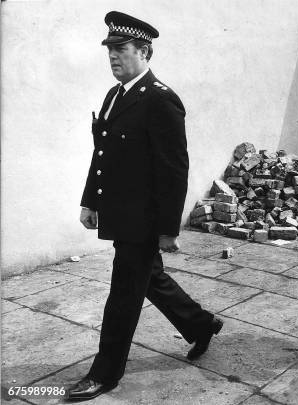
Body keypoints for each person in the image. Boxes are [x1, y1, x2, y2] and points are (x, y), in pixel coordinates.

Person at [68, 11, 222, 400]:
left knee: (123, 294)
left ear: (145, 51)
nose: (113, 57)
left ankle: (105, 373)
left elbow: (174, 170)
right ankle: (201, 324)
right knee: (150, 278)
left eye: (121, 49)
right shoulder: (115, 95)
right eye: (110, 51)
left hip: (143, 220)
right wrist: (90, 202)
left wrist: (169, 228)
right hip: (120, 214)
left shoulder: (160, 100)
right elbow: (101, 155)